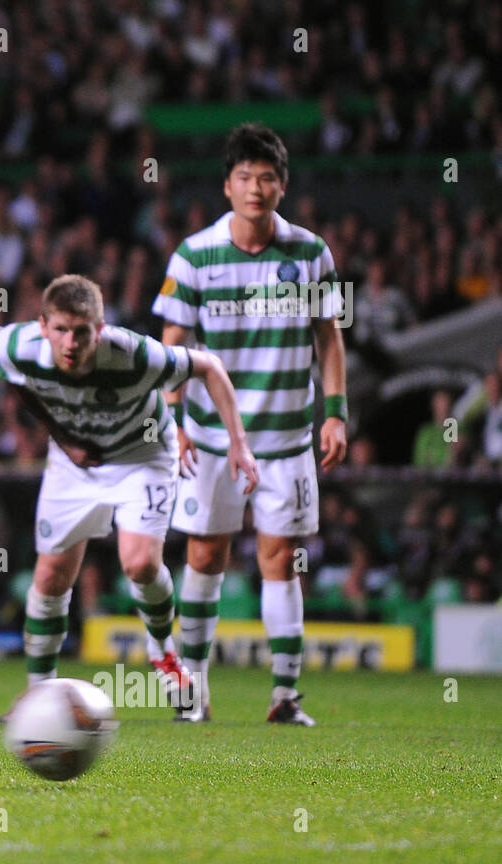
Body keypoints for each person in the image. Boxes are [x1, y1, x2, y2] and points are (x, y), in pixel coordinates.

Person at [0, 275, 257, 715]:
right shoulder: (21, 345)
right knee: (48, 579)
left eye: (82, 331)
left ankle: (162, 650)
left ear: (99, 330)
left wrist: (238, 442)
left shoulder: (134, 354)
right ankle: (39, 693)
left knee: (140, 563)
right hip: (74, 466)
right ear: (43, 326)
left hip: (142, 455)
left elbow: (209, 367)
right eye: (61, 329)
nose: (70, 341)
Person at [156, 123, 349, 726]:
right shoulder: (194, 255)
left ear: (282, 186)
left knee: (280, 557)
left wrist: (336, 413)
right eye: (245, 176)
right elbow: (173, 344)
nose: (256, 187)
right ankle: (195, 694)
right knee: (206, 554)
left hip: (288, 436)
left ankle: (285, 697)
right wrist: (174, 416)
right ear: (227, 185)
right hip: (211, 437)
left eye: (267, 177)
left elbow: (330, 338)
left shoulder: (312, 253)